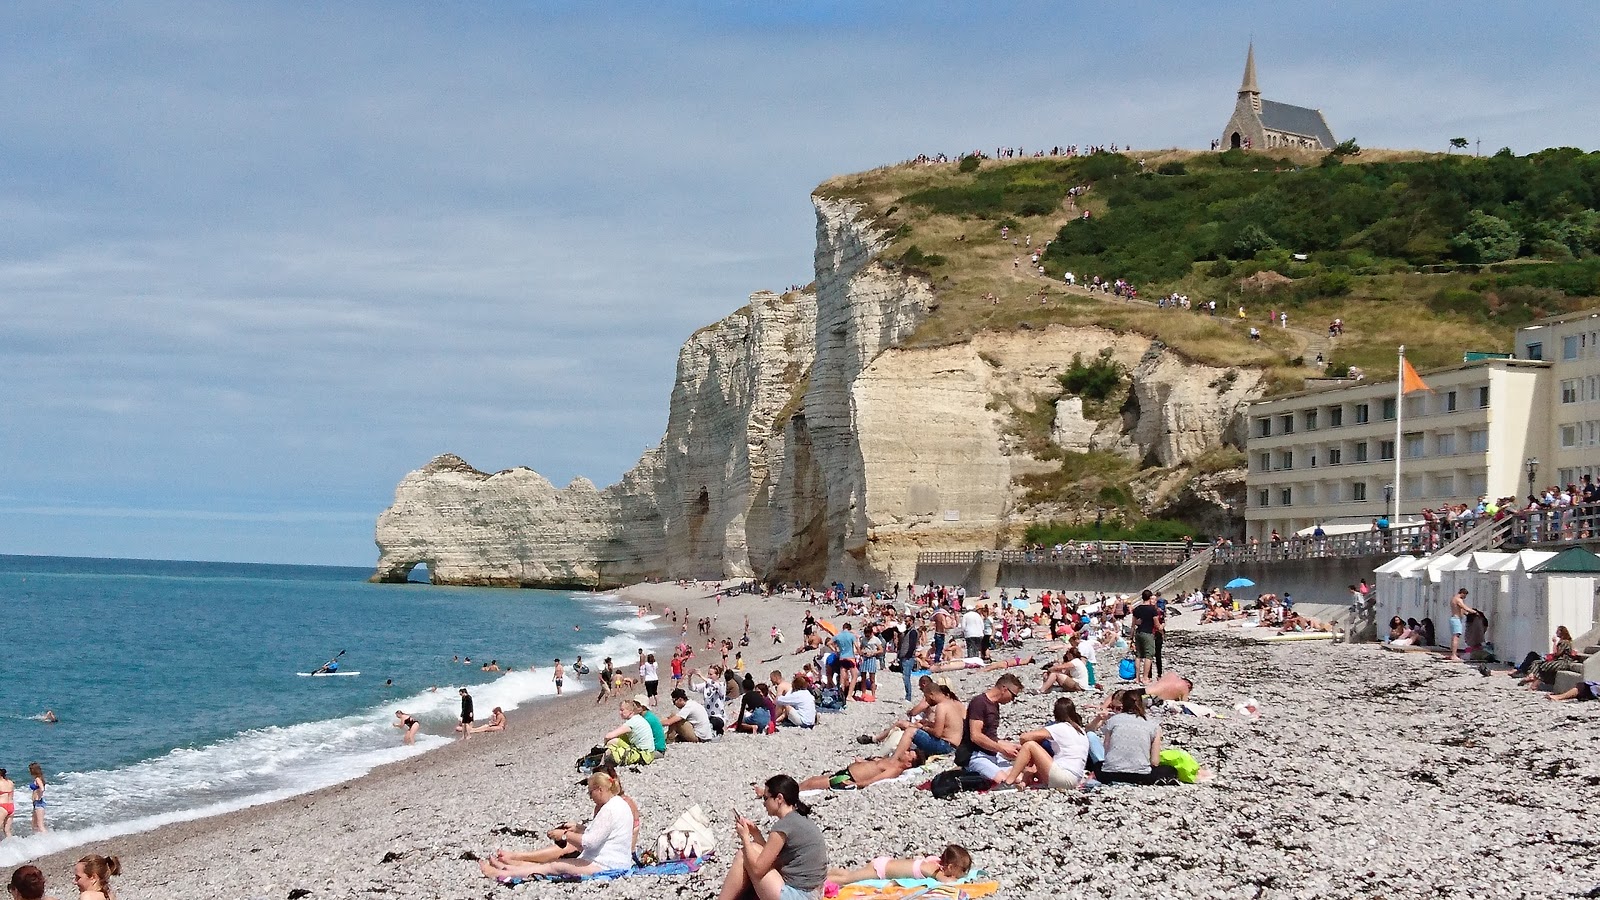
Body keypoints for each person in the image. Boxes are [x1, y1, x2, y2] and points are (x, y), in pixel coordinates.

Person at [479, 772, 635, 880]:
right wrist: (579, 829)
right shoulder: (618, 804)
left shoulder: (608, 809)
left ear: (599, 790)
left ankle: (503, 873)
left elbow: (590, 842)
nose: (590, 797)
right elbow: (603, 834)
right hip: (617, 860)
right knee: (553, 865)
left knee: (554, 867)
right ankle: (508, 868)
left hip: (607, 865)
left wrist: (565, 836)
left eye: (590, 793)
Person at [718, 775, 828, 900]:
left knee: (744, 854)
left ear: (779, 798)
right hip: (815, 892)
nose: (764, 803)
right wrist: (756, 834)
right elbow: (770, 857)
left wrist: (745, 838)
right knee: (754, 849)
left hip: (799, 895)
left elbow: (758, 870)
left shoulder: (783, 826)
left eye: (765, 798)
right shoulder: (799, 819)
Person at [998, 697, 1090, 790]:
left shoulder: (1060, 727)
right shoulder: (1080, 731)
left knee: (1030, 745)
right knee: (1035, 754)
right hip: (1075, 779)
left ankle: (1008, 782)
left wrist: (1024, 748)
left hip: (1063, 777)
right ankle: (1023, 783)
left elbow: (1024, 737)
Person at [1097, 691, 1179, 785]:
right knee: (1170, 770)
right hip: (1140, 775)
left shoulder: (1112, 721)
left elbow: (1106, 749)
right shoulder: (1152, 725)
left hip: (1110, 774)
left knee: (1097, 765)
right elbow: (1155, 761)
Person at [961, 674, 1023, 783]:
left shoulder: (994, 705)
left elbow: (990, 737)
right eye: (1013, 695)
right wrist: (1003, 749)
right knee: (1005, 781)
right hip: (976, 754)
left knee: (1018, 778)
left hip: (992, 754)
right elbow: (976, 736)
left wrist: (1012, 746)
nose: (1012, 700)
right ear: (1004, 689)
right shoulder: (979, 703)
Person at [827, 844, 973, 887]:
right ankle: (817, 879)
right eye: (962, 871)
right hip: (881, 870)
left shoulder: (933, 861)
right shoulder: (933, 869)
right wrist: (957, 880)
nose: (962, 874)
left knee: (850, 875)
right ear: (951, 867)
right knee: (847, 880)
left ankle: (825, 872)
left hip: (884, 864)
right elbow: (947, 881)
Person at [798, 746, 926, 791]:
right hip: (846, 773)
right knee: (812, 780)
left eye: (910, 754)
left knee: (812, 783)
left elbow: (875, 780)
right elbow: (874, 767)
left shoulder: (894, 770)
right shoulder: (892, 762)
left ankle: (789, 794)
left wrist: (855, 785)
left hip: (848, 779)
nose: (907, 752)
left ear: (909, 764)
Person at [602, 700, 657, 766]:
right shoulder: (638, 718)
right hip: (649, 752)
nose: (620, 713)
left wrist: (605, 743)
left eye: (622, 710)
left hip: (643, 754)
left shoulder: (632, 722)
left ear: (631, 711)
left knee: (612, 742)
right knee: (618, 740)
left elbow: (608, 736)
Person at [1130, 591, 1159, 684]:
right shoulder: (1152, 610)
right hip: (1148, 633)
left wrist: (1131, 637)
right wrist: (1161, 627)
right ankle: (1145, 677)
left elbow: (1133, 624)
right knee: (1149, 655)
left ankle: (1137, 678)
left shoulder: (1137, 609)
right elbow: (1156, 623)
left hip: (1138, 632)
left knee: (1138, 655)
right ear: (1150, 597)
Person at [1444, 589, 1478, 662]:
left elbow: (1462, 610)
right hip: (1456, 619)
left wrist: (1467, 614)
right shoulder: (1458, 599)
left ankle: (1453, 653)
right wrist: (1475, 612)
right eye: (1465, 595)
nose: (1465, 597)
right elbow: (1464, 607)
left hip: (1454, 619)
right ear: (1463, 593)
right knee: (1456, 637)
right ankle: (1453, 655)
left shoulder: (1453, 599)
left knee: (1454, 637)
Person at [26, 765, 44, 834]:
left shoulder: (37, 779)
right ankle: (37, 840)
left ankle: (47, 840)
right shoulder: (39, 778)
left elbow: (42, 788)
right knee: (34, 824)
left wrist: (38, 797)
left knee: (40, 825)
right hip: (36, 803)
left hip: (38, 803)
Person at [0, 769, 13, 840]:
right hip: (11, 806)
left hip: (2, 806)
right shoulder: (10, 782)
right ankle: (12, 846)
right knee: (7, 830)